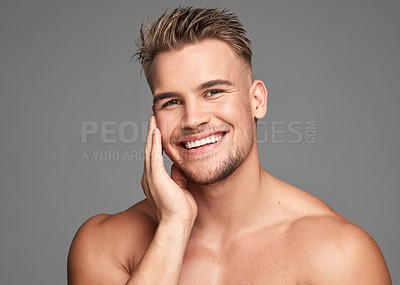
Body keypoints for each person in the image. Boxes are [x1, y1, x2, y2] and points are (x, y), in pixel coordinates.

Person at [67, 6, 392, 284]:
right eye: (171, 102)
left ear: (257, 101)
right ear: (153, 118)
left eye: (213, 92)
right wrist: (173, 227)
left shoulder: (340, 255)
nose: (193, 119)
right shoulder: (104, 245)